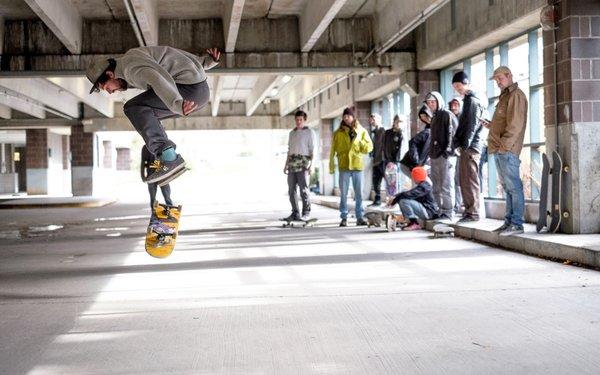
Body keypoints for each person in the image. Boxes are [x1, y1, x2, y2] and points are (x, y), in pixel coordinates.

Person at [86, 46, 221, 185]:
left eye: (107, 88)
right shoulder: (132, 56)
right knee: (146, 116)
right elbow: (175, 55)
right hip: (199, 90)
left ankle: (169, 158)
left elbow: (157, 78)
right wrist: (206, 62)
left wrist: (176, 103)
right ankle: (167, 157)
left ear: (110, 74)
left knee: (133, 108)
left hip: (188, 92)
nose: (111, 92)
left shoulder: (130, 68)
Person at [487, 66, 528, 236]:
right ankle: (509, 222)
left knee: (514, 186)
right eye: (495, 80)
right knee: (507, 187)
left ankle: (517, 224)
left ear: (509, 76)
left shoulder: (516, 95)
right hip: (499, 148)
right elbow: (505, 123)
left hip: (507, 150)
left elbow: (515, 125)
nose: (497, 82)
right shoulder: (505, 96)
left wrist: (504, 147)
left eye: (500, 78)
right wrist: (490, 126)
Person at [329, 107, 373, 227]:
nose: (346, 118)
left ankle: (359, 217)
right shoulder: (338, 133)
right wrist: (331, 166)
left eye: (348, 116)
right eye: (344, 116)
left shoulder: (361, 131)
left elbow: (369, 147)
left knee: (358, 194)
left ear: (353, 117)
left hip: (357, 166)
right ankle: (344, 217)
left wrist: (359, 143)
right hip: (344, 166)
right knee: (343, 194)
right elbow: (332, 150)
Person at [452, 71, 486, 223]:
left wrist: (463, 145)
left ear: (466, 83)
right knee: (465, 179)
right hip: (468, 146)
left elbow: (472, 126)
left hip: (472, 147)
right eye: (455, 87)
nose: (457, 89)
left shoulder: (473, 101)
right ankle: (469, 211)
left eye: (459, 85)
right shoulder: (467, 100)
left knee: (470, 180)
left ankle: (473, 213)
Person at [427, 92, 458, 220]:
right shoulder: (434, 117)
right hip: (435, 155)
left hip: (446, 156)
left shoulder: (447, 115)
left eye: (433, 102)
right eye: (428, 102)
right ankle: (438, 210)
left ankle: (448, 211)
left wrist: (448, 152)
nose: (430, 104)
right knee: (436, 186)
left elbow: (452, 134)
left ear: (439, 101)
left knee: (446, 184)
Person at [283, 110, 315, 221]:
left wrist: (311, 165)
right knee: (291, 190)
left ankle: (306, 212)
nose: (298, 121)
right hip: (292, 163)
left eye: (301, 119)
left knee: (304, 190)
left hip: (303, 163)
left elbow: (312, 150)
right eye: (297, 119)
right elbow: (289, 150)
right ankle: (295, 213)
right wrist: (286, 164)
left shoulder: (309, 132)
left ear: (304, 120)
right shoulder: (291, 133)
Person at [387, 166, 438, 231]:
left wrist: (395, 200)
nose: (413, 178)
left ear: (417, 177)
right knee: (404, 198)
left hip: (428, 212)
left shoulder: (424, 187)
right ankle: (411, 222)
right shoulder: (423, 185)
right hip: (426, 210)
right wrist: (395, 198)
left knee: (403, 201)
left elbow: (408, 194)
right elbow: (408, 193)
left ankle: (414, 223)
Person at [141, 145, 174, 235]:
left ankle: (171, 215)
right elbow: (143, 162)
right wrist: (142, 175)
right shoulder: (145, 148)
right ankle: (154, 218)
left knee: (167, 197)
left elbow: (170, 158)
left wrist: (170, 174)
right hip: (151, 175)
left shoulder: (163, 144)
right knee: (153, 198)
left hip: (163, 173)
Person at [399, 104, 432, 179]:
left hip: (412, 165)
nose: (424, 119)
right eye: (422, 117)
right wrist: (416, 161)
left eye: (425, 116)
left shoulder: (431, 130)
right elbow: (412, 142)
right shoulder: (428, 132)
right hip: (410, 164)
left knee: (424, 186)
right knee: (424, 186)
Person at [382, 114, 405, 196]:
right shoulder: (387, 133)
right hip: (388, 161)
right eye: (397, 121)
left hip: (397, 162)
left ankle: (395, 200)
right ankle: (389, 200)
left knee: (396, 182)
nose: (399, 124)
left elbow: (401, 150)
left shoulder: (401, 134)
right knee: (388, 182)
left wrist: (395, 161)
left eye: (401, 122)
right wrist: (388, 160)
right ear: (394, 122)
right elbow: (385, 147)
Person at [449, 98, 463, 215]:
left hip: (461, 151)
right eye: (452, 105)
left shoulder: (463, 118)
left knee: (459, 180)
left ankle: (459, 205)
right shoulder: (449, 118)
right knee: (454, 180)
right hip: (453, 152)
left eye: (456, 105)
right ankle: (457, 205)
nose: (454, 107)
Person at [368, 113, 386, 206]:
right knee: (376, 182)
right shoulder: (374, 133)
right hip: (376, 161)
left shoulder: (383, 131)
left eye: (373, 118)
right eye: (371, 119)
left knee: (388, 181)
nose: (372, 121)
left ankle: (390, 200)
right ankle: (377, 199)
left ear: (379, 119)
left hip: (383, 161)